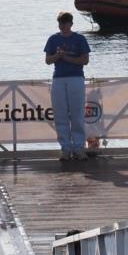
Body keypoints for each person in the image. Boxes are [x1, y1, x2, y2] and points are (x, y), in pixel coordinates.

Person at [43, 11, 91, 161]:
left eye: (65, 23)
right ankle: (65, 148)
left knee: (77, 114)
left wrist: (66, 57)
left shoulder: (79, 38)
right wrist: (58, 56)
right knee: (60, 115)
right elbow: (48, 60)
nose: (63, 26)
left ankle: (78, 148)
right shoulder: (53, 39)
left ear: (71, 24)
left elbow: (85, 60)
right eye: (61, 23)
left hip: (76, 78)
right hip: (58, 79)